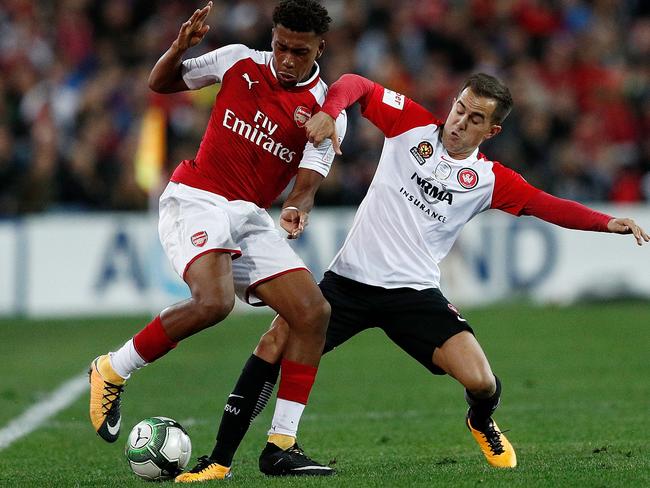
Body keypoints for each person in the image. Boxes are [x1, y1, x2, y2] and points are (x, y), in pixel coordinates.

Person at [180, 71, 649, 480]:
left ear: (493, 129)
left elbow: (548, 205)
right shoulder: (410, 125)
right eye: (459, 109)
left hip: (414, 294)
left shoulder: (489, 179)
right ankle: (219, 461)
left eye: (474, 119)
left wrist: (607, 222)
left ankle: (481, 422)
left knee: (482, 381)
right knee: (271, 345)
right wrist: (329, 109)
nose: (459, 122)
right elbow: (356, 86)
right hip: (349, 282)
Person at [88, 0, 347, 481]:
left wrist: (296, 208)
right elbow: (160, 83)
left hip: (250, 217)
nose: (287, 59)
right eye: (282, 46)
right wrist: (177, 48)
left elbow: (308, 183)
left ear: (320, 48)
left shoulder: (326, 112)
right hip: (198, 197)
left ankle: (281, 444)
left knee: (313, 312)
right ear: (273, 38)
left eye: (300, 51)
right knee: (213, 302)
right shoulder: (237, 60)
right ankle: (112, 367)